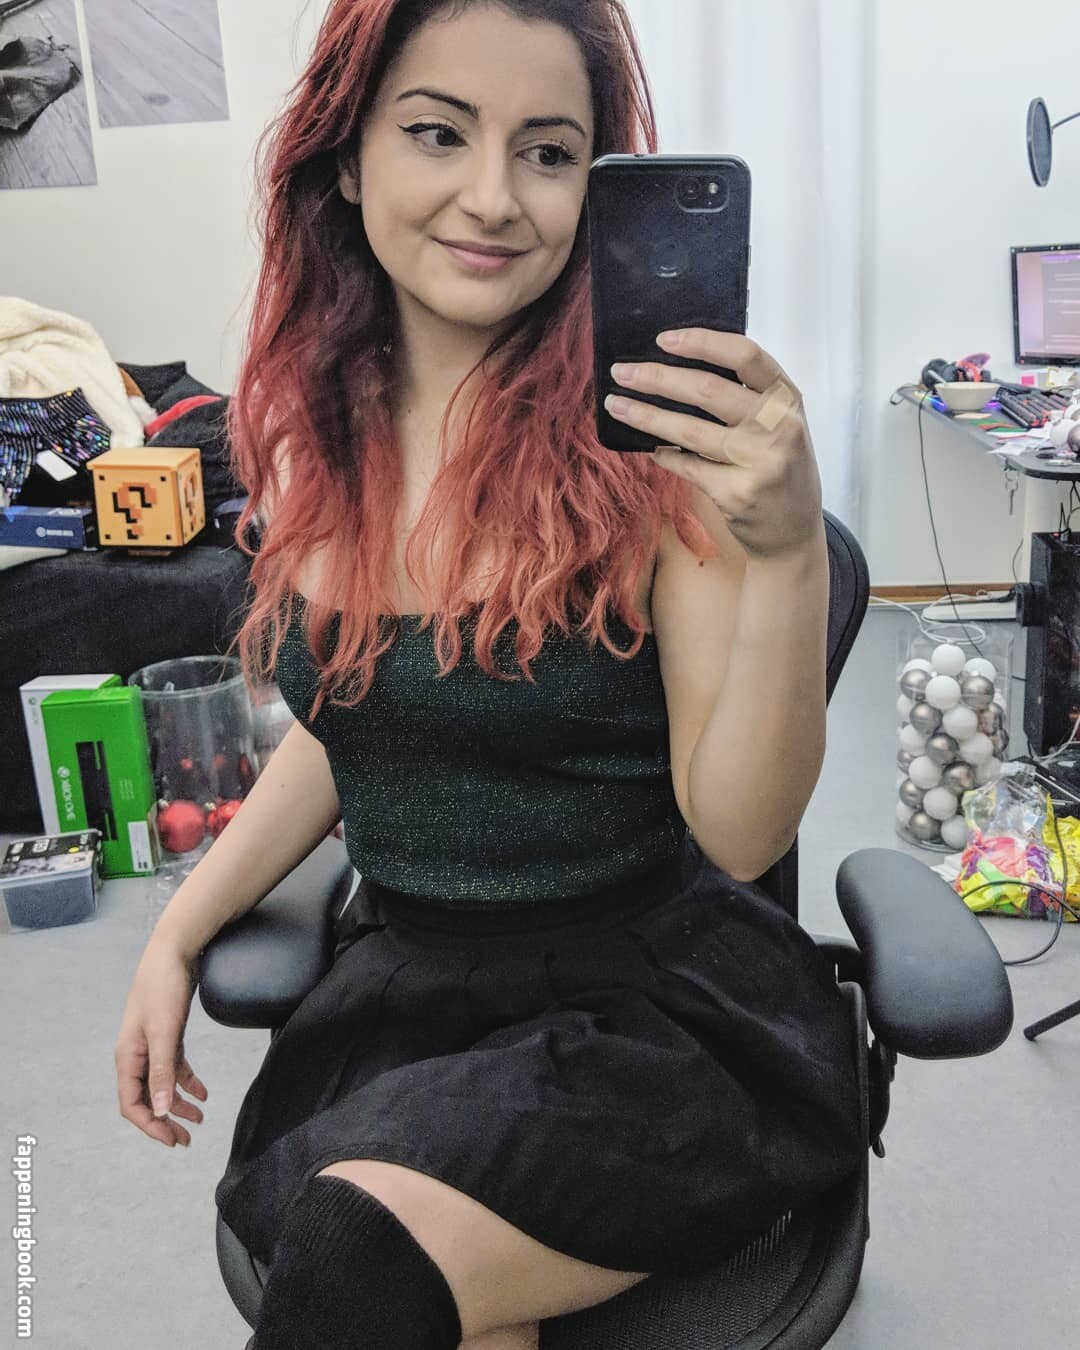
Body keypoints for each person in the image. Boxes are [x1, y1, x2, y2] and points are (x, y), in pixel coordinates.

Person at [114, 2, 865, 1347]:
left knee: (363, 1250)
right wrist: (177, 929)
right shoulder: (321, 434)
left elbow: (744, 831)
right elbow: (354, 721)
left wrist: (789, 550)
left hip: (640, 1023)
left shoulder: (656, 459)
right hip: (407, 1001)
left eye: (549, 151)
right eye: (438, 133)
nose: (494, 197)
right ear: (348, 160)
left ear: (596, 183)